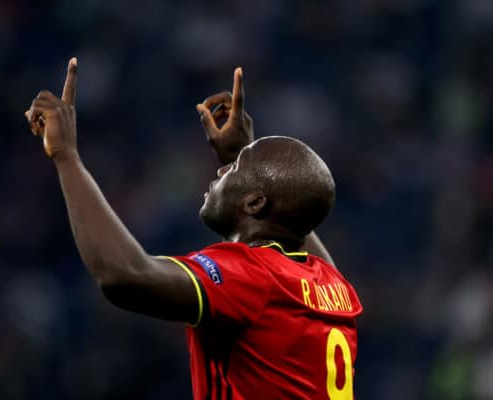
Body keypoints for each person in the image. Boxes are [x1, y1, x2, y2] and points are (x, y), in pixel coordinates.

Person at [24, 58, 363, 400]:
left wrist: (66, 155)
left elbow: (124, 274)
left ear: (256, 203)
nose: (219, 173)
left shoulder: (251, 275)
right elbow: (298, 219)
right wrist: (241, 155)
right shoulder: (334, 287)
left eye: (233, 171)